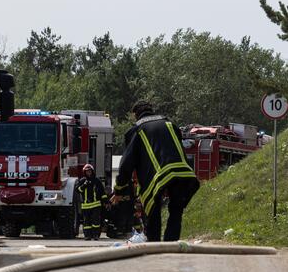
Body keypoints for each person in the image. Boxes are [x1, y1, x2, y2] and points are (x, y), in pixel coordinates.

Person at [111, 101, 199, 242]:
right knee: (176, 210)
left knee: (153, 209)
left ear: (136, 115)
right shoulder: (170, 124)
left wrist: (119, 190)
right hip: (184, 173)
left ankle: (155, 245)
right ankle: (171, 244)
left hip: (159, 176)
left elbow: (127, 164)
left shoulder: (137, 130)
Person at [76, 164, 107, 240]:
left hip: (96, 205)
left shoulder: (97, 181)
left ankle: (96, 235)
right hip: (86, 205)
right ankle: (87, 236)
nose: (88, 173)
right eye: (87, 172)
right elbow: (78, 190)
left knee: (96, 221)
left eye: (90, 171)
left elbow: (102, 192)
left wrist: (106, 201)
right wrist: (84, 185)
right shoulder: (82, 181)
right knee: (86, 222)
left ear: (92, 171)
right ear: (84, 172)